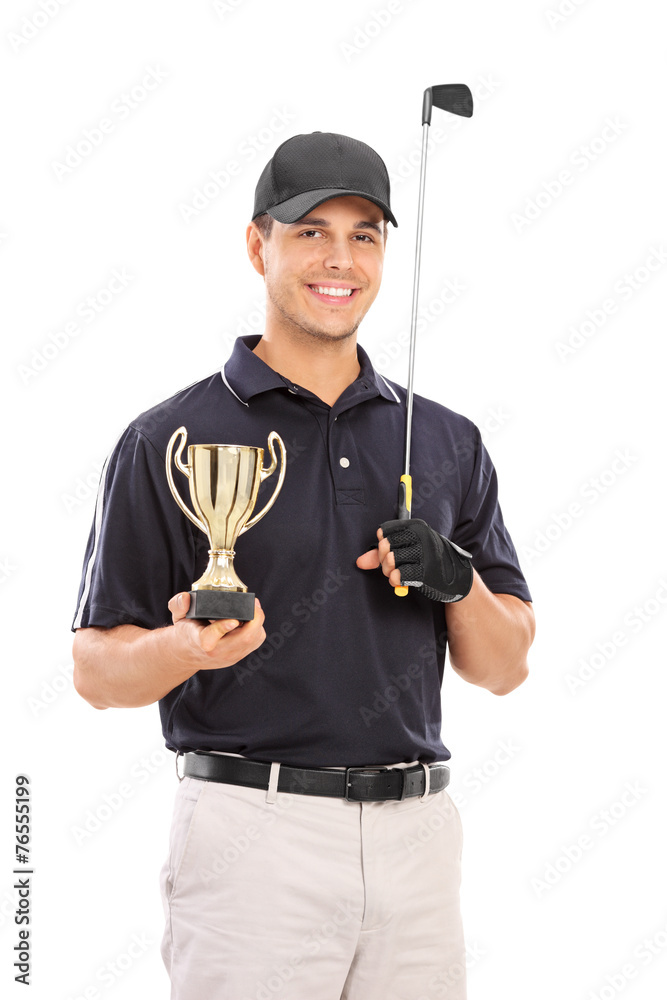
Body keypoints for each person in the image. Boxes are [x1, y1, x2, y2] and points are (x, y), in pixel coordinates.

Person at [72, 130, 535, 1000]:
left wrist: (456, 579)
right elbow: (96, 673)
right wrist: (187, 651)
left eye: (364, 235)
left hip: (418, 838)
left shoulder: (444, 438)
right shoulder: (164, 437)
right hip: (253, 833)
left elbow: (504, 667)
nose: (340, 259)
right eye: (312, 230)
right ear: (259, 244)